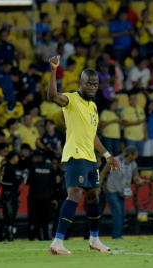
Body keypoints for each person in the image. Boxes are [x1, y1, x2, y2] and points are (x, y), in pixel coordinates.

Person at [47, 55, 121, 255]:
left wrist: (106, 155)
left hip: (90, 158)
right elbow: (52, 95)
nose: (92, 87)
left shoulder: (93, 107)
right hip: (75, 155)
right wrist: (54, 69)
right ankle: (57, 242)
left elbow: (92, 135)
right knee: (75, 194)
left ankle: (94, 239)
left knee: (94, 198)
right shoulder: (71, 99)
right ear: (80, 83)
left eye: (95, 84)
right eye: (88, 83)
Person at [100, 146, 144, 239]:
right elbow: (103, 172)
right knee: (117, 211)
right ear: (130, 154)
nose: (136, 157)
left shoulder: (133, 164)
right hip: (110, 188)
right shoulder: (114, 161)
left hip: (122, 190)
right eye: (135, 154)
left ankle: (117, 232)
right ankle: (117, 234)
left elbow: (135, 177)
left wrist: (140, 181)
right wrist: (98, 187)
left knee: (123, 212)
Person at [27, 150, 56, 241]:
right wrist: (54, 198)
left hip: (34, 198)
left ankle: (32, 238)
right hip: (47, 198)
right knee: (46, 220)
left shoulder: (33, 168)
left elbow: (28, 181)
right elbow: (54, 184)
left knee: (33, 220)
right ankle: (46, 238)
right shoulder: (49, 168)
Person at [0, 151, 22, 242]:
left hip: (14, 195)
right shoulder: (5, 167)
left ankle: (10, 235)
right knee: (7, 216)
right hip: (7, 195)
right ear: (13, 157)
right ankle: (3, 235)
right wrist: (13, 183)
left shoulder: (15, 168)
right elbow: (1, 182)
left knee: (12, 216)